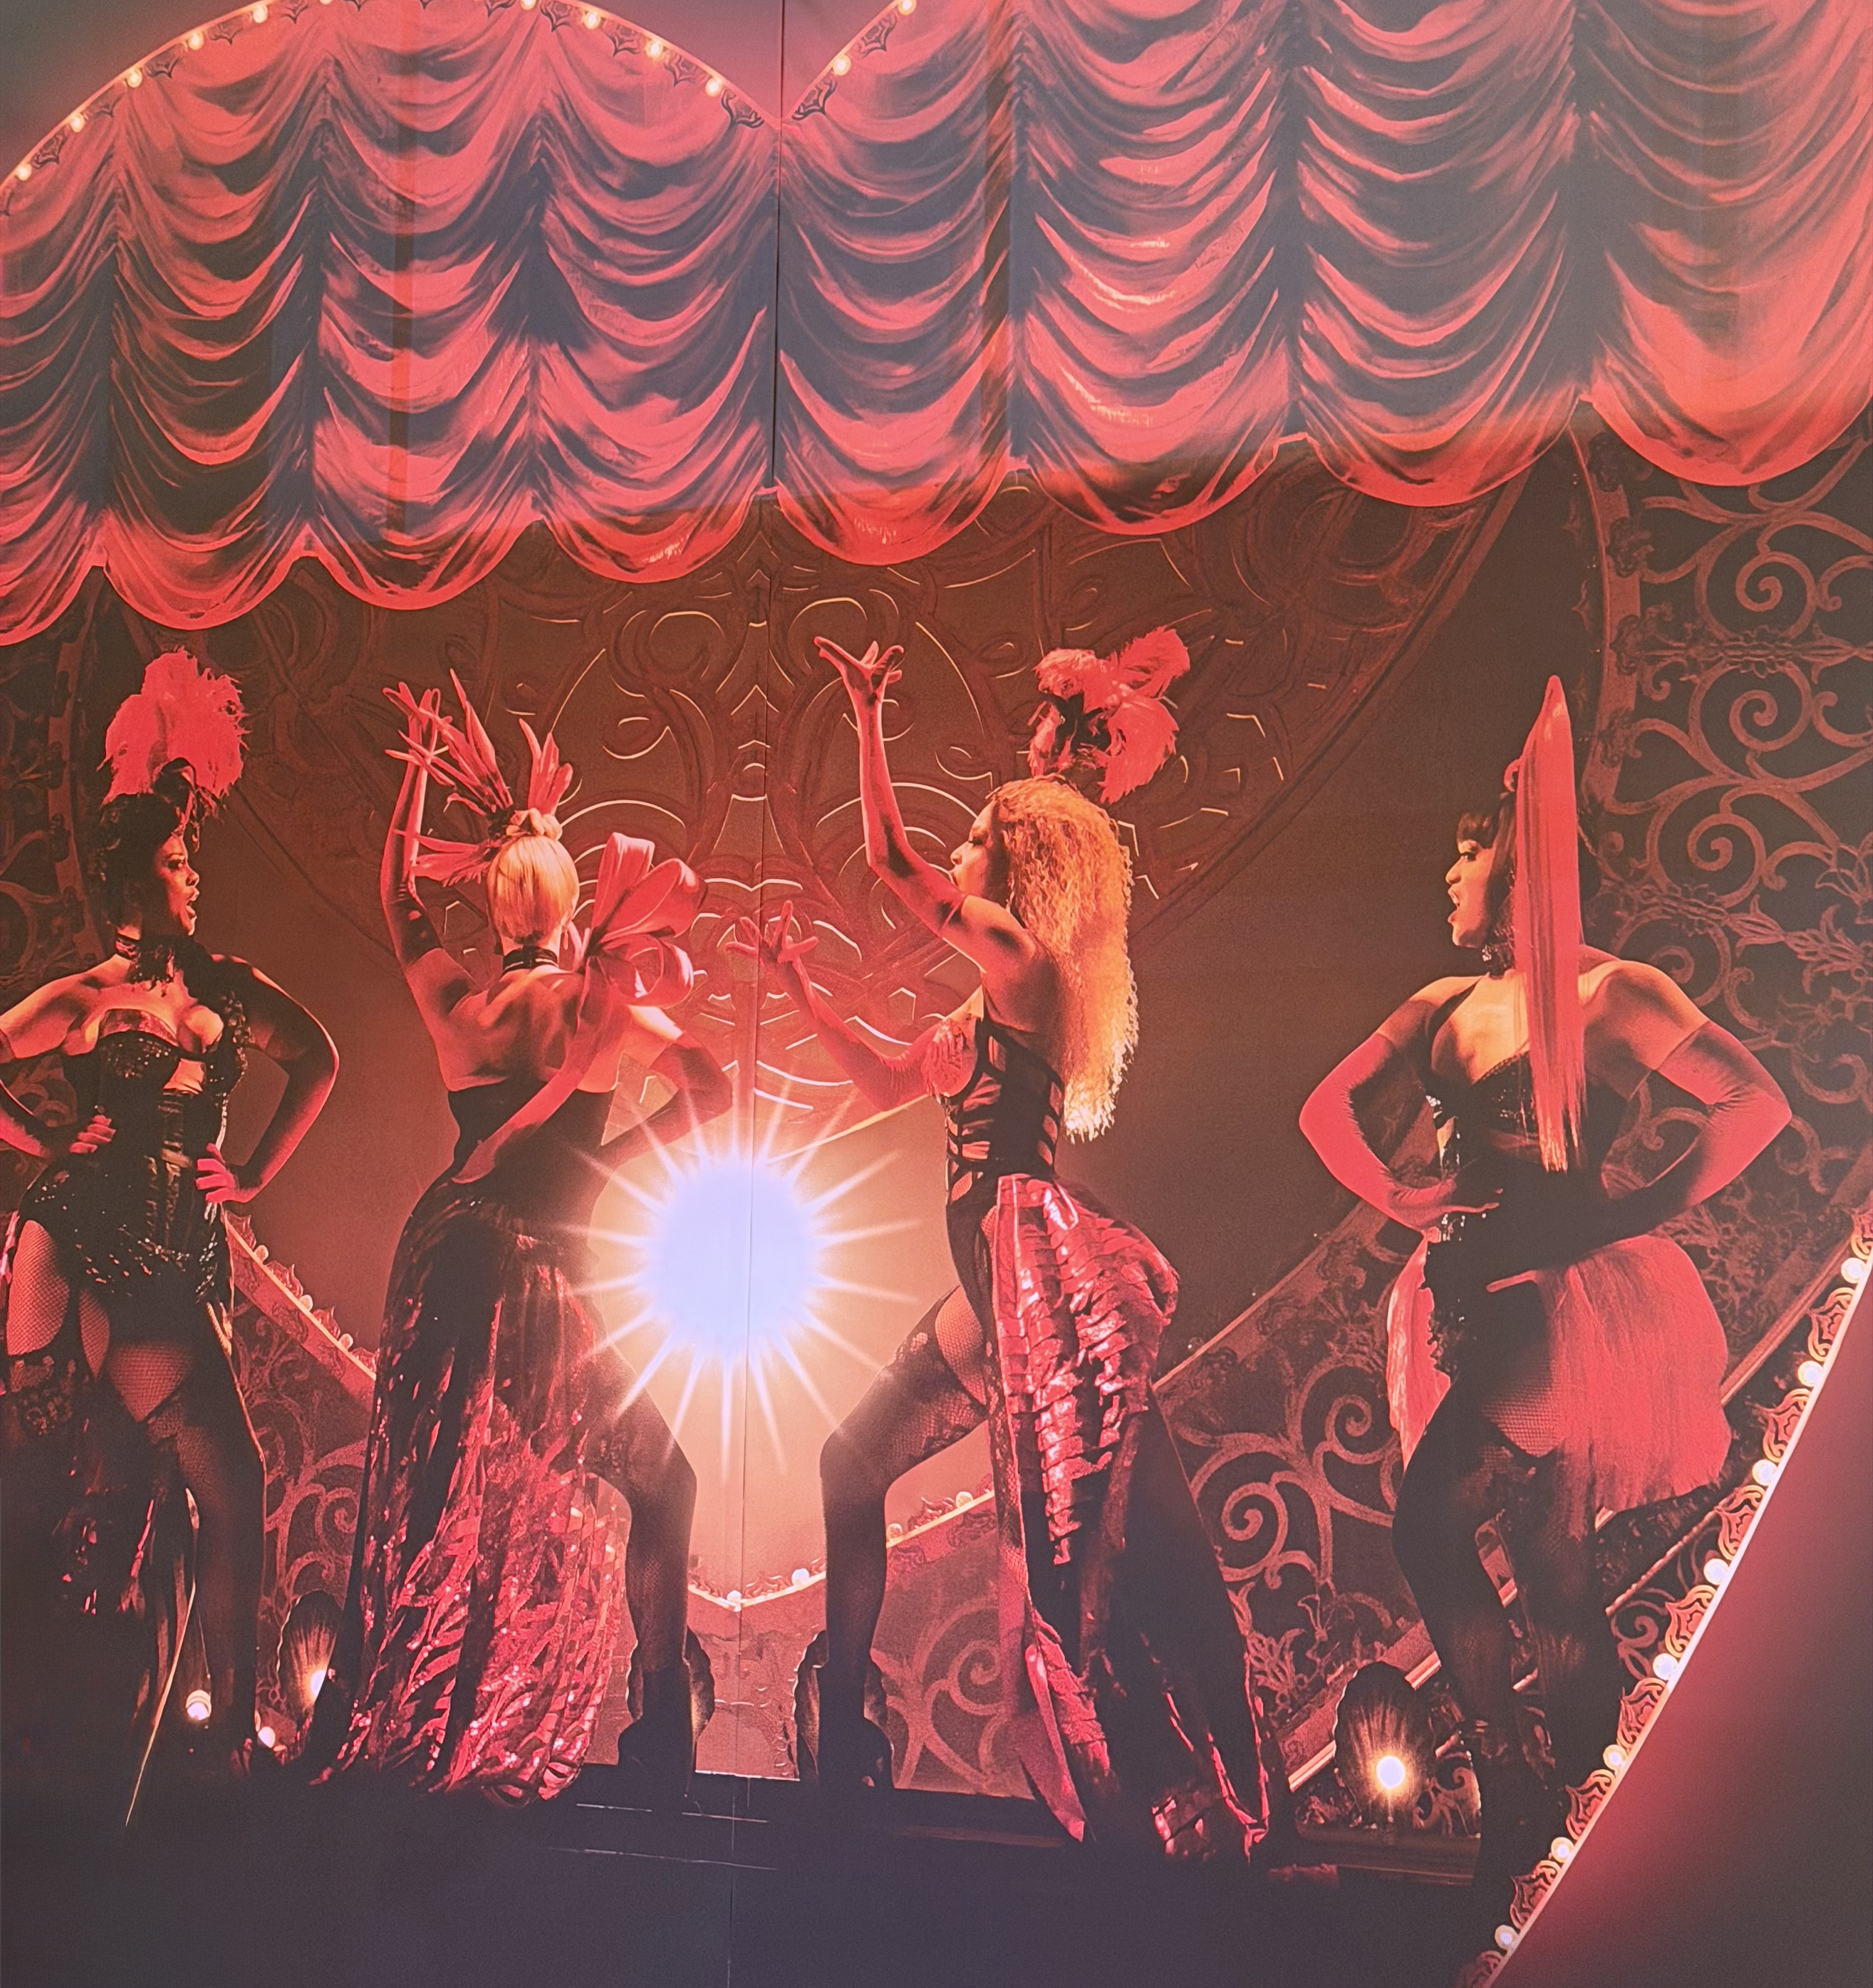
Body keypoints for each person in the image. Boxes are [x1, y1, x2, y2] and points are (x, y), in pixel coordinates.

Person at [736, 629, 1275, 1858]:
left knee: (1131, 1553)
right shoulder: (987, 1003)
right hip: (994, 1297)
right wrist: (801, 989)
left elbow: (891, 862)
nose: (962, 852)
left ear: (1017, 869)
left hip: (1035, 1285)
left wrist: (866, 716)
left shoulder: (1029, 968)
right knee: (849, 1464)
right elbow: (885, 1079)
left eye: (979, 838)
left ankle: (1219, 1803)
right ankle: (845, 1732)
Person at [1298, 678, 1789, 1890]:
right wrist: (1401, 1197)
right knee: (1554, 1572)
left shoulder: (1610, 995)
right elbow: (1322, 1109)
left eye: (1462, 861)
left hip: (1554, 1312)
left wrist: (1632, 1210)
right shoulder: (1442, 1004)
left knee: (1430, 1526)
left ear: (1509, 861)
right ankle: (1590, 1816)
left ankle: (1518, 1795)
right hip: (1469, 1302)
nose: (1446, 883)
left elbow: (1754, 1103)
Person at [307, 681, 730, 1805]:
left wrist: (414, 778)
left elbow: (398, 900)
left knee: (439, 1494)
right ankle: (658, 1723)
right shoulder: (602, 1010)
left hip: (446, 1249)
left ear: (494, 913)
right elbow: (713, 1088)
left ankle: (404, 1713)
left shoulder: (461, 1004)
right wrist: (618, 1159)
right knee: (661, 1481)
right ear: (572, 902)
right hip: (540, 1273)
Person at [0, 652, 338, 1773]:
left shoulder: (228, 986)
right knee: (213, 1487)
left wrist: (257, 1175)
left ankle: (119, 1753)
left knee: (125, 1498)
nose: (193, 876)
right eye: (177, 862)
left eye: (191, 859)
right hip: (90, 1241)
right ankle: (231, 1741)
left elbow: (319, 1059)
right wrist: (48, 1140)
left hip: (181, 1251)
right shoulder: (89, 997)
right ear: (136, 882)